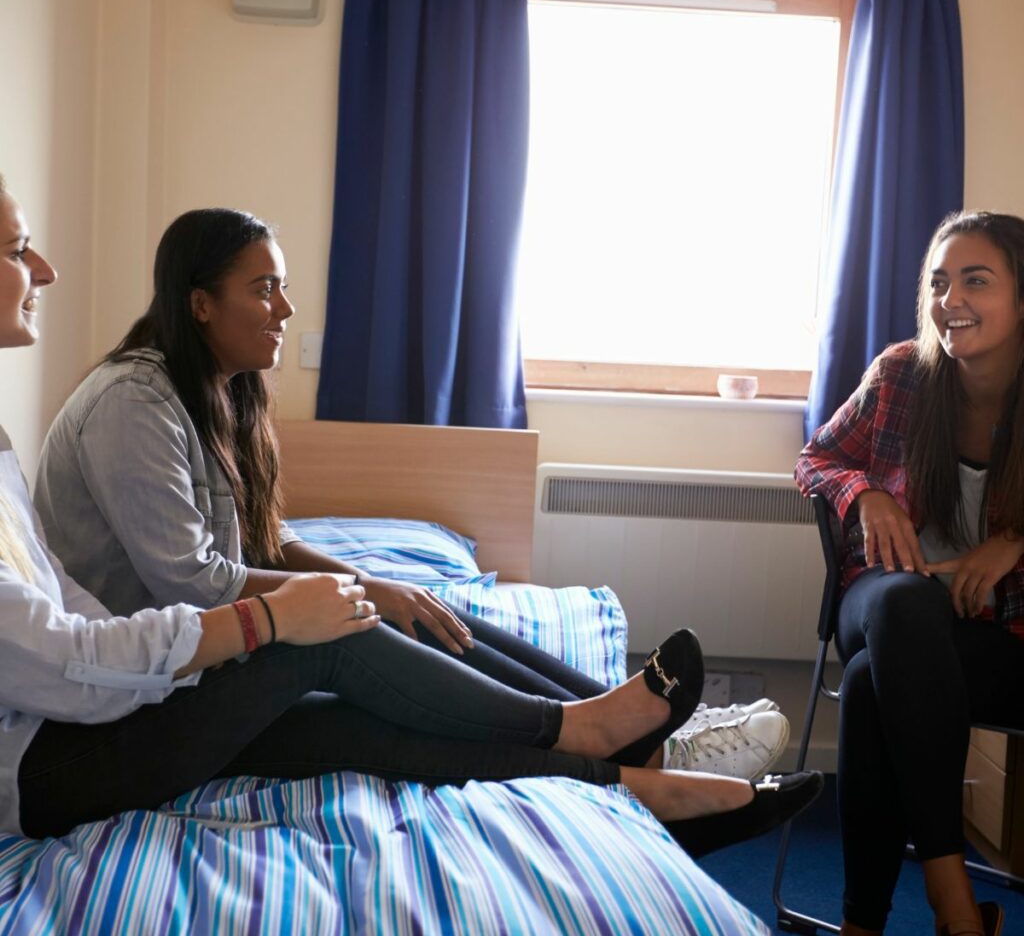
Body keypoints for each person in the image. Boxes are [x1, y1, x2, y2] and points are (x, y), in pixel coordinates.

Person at [0, 173, 821, 845]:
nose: (285, 309)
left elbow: (260, 544)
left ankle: (636, 767)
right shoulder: (134, 404)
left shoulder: (216, 395)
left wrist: (374, 585)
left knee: (396, 646)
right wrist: (316, 607)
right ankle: (592, 732)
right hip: (146, 686)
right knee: (339, 631)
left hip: (160, 680)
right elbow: (189, 583)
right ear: (200, 303)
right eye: (264, 289)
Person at [796, 211, 1024, 936]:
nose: (950, 300)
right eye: (939, 282)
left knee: (871, 685)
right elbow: (816, 459)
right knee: (904, 606)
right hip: (883, 601)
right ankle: (952, 901)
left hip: (999, 637)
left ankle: (863, 924)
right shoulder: (902, 374)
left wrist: (1015, 540)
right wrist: (863, 493)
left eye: (976, 281)